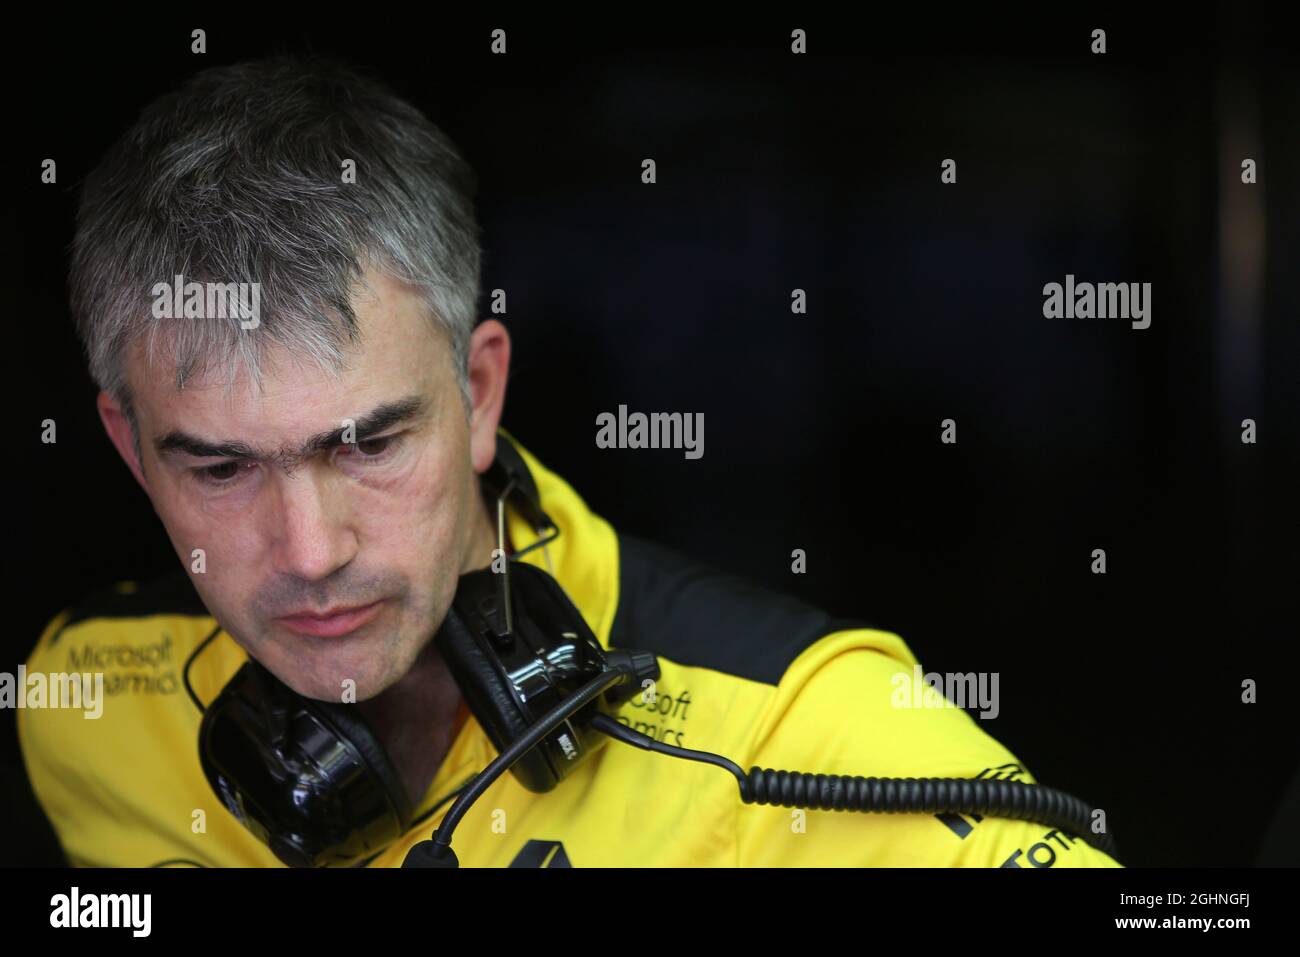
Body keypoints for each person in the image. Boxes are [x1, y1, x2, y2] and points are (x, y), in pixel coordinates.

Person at [19, 55, 1120, 868]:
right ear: (126, 447)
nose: (310, 552)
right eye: (220, 470)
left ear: (479, 393)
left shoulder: (805, 726)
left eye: (370, 443)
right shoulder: (83, 706)